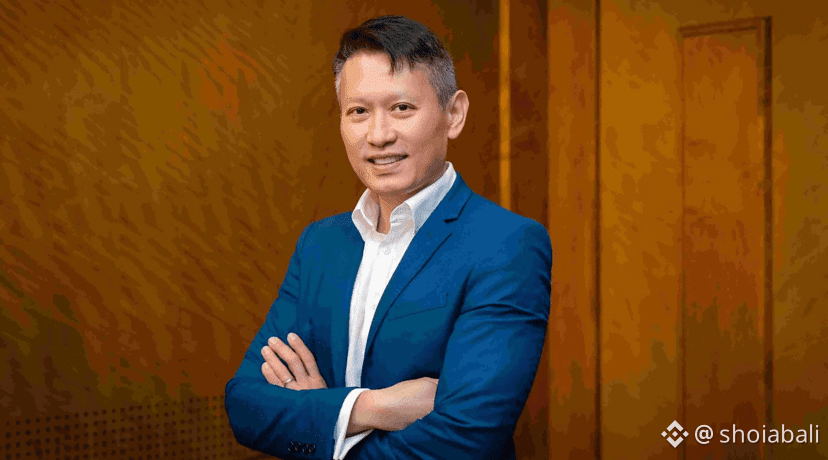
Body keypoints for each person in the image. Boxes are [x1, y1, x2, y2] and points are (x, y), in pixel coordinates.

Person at [225, 15, 552, 460]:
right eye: (358, 111)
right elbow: (246, 407)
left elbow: (467, 439)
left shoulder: (507, 245)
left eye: (401, 108)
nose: (378, 136)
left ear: (454, 114)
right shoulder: (320, 245)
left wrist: (321, 420)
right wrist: (372, 407)